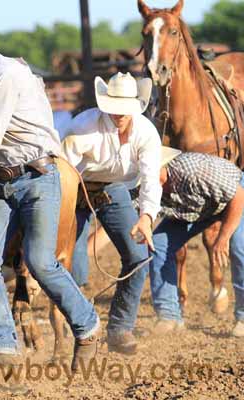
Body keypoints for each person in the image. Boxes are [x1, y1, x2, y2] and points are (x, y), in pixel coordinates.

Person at [0, 9, 100, 371]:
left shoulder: (6, 73)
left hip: (37, 176)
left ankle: (88, 326)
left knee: (41, 261)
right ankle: (4, 349)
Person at [62, 72, 162, 354]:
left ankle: (120, 328)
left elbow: (150, 177)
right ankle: (82, 331)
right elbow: (64, 172)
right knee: (75, 267)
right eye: (114, 108)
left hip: (115, 188)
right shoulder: (82, 127)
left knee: (139, 256)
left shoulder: (146, 133)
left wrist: (146, 216)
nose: (119, 114)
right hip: (76, 188)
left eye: (125, 109)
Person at [149, 151, 244, 337]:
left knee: (239, 247)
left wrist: (223, 237)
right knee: (158, 244)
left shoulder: (193, 170)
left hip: (235, 197)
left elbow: (238, 197)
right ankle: (169, 317)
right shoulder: (145, 184)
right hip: (196, 207)